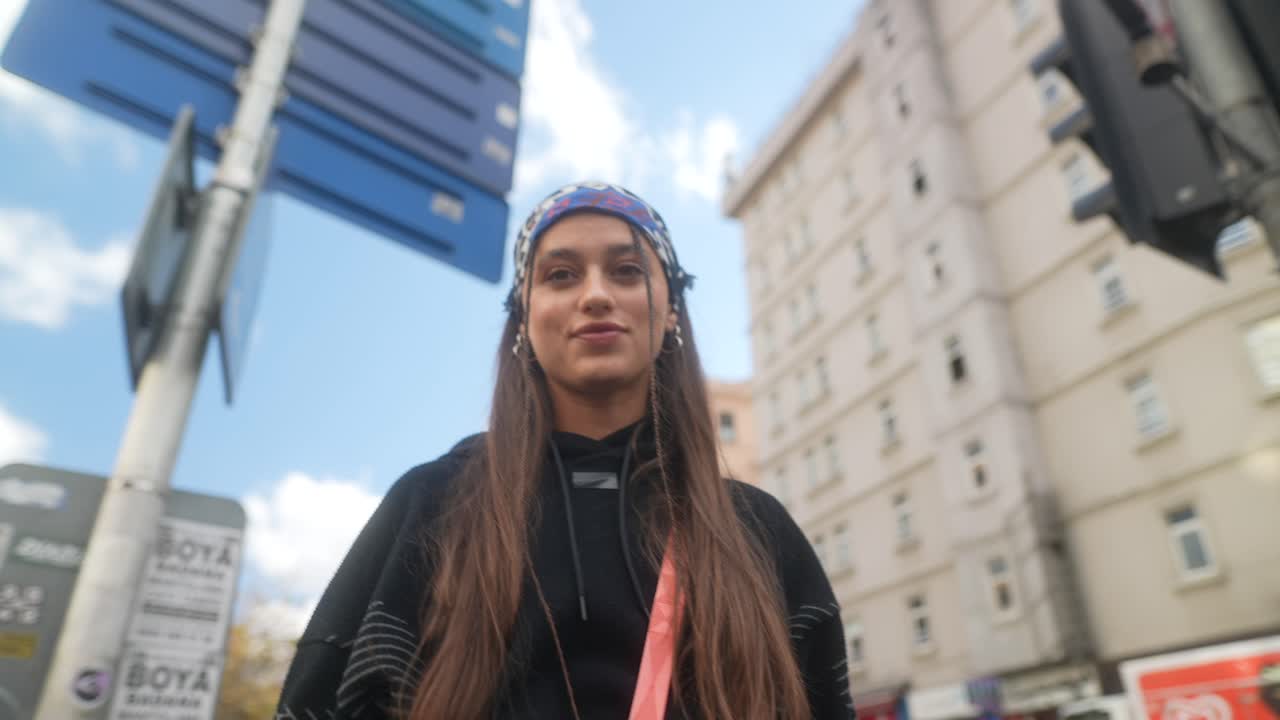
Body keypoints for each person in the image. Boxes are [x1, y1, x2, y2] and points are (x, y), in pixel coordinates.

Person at [273, 182, 854, 719]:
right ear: (524, 314)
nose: (596, 295)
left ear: (671, 308)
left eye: (627, 271)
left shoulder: (758, 531)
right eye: (560, 275)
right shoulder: (431, 506)